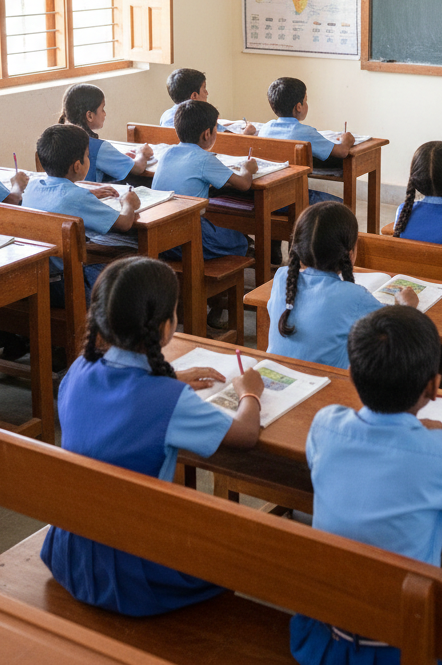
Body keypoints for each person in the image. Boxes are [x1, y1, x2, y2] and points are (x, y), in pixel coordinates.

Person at [290, 305, 442, 665]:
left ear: (352, 375)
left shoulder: (325, 424)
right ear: (434, 387)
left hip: (326, 635)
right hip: (404, 647)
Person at [40, 256, 264, 615]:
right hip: (133, 572)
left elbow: (124, 401)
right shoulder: (169, 402)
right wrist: (249, 391)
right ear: (164, 327)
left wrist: (170, 377)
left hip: (71, 550)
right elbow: (246, 434)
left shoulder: (78, 371)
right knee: (247, 551)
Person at [267, 202, 416, 368]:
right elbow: (396, 332)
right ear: (350, 254)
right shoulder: (354, 296)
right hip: (325, 388)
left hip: (277, 378)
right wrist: (407, 307)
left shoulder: (282, 277)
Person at [22, 124, 140, 307]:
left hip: (36, 281)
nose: (88, 158)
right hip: (65, 287)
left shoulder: (33, 186)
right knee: (129, 276)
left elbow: (62, 198)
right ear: (78, 166)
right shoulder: (77, 197)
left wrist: (88, 195)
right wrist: (128, 203)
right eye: (87, 155)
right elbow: (124, 223)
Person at [152, 100, 255, 259]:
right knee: (241, 241)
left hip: (159, 234)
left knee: (226, 234)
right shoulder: (205, 159)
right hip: (189, 234)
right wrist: (247, 169)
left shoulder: (167, 153)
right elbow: (244, 184)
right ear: (207, 134)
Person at [260, 76, 353, 204]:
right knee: (343, 206)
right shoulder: (304, 132)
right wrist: (346, 139)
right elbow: (342, 152)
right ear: (299, 106)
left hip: (267, 196)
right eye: (306, 100)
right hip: (292, 198)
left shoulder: (266, 128)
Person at [59, 83, 152, 184]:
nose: (105, 113)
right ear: (89, 115)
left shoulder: (59, 139)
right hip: (91, 196)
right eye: (102, 109)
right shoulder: (97, 147)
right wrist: (142, 154)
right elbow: (138, 168)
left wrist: (119, 159)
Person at [159, 67, 256, 134]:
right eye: (204, 88)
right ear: (194, 96)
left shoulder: (166, 115)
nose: (207, 93)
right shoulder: (204, 117)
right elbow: (232, 141)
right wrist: (247, 133)